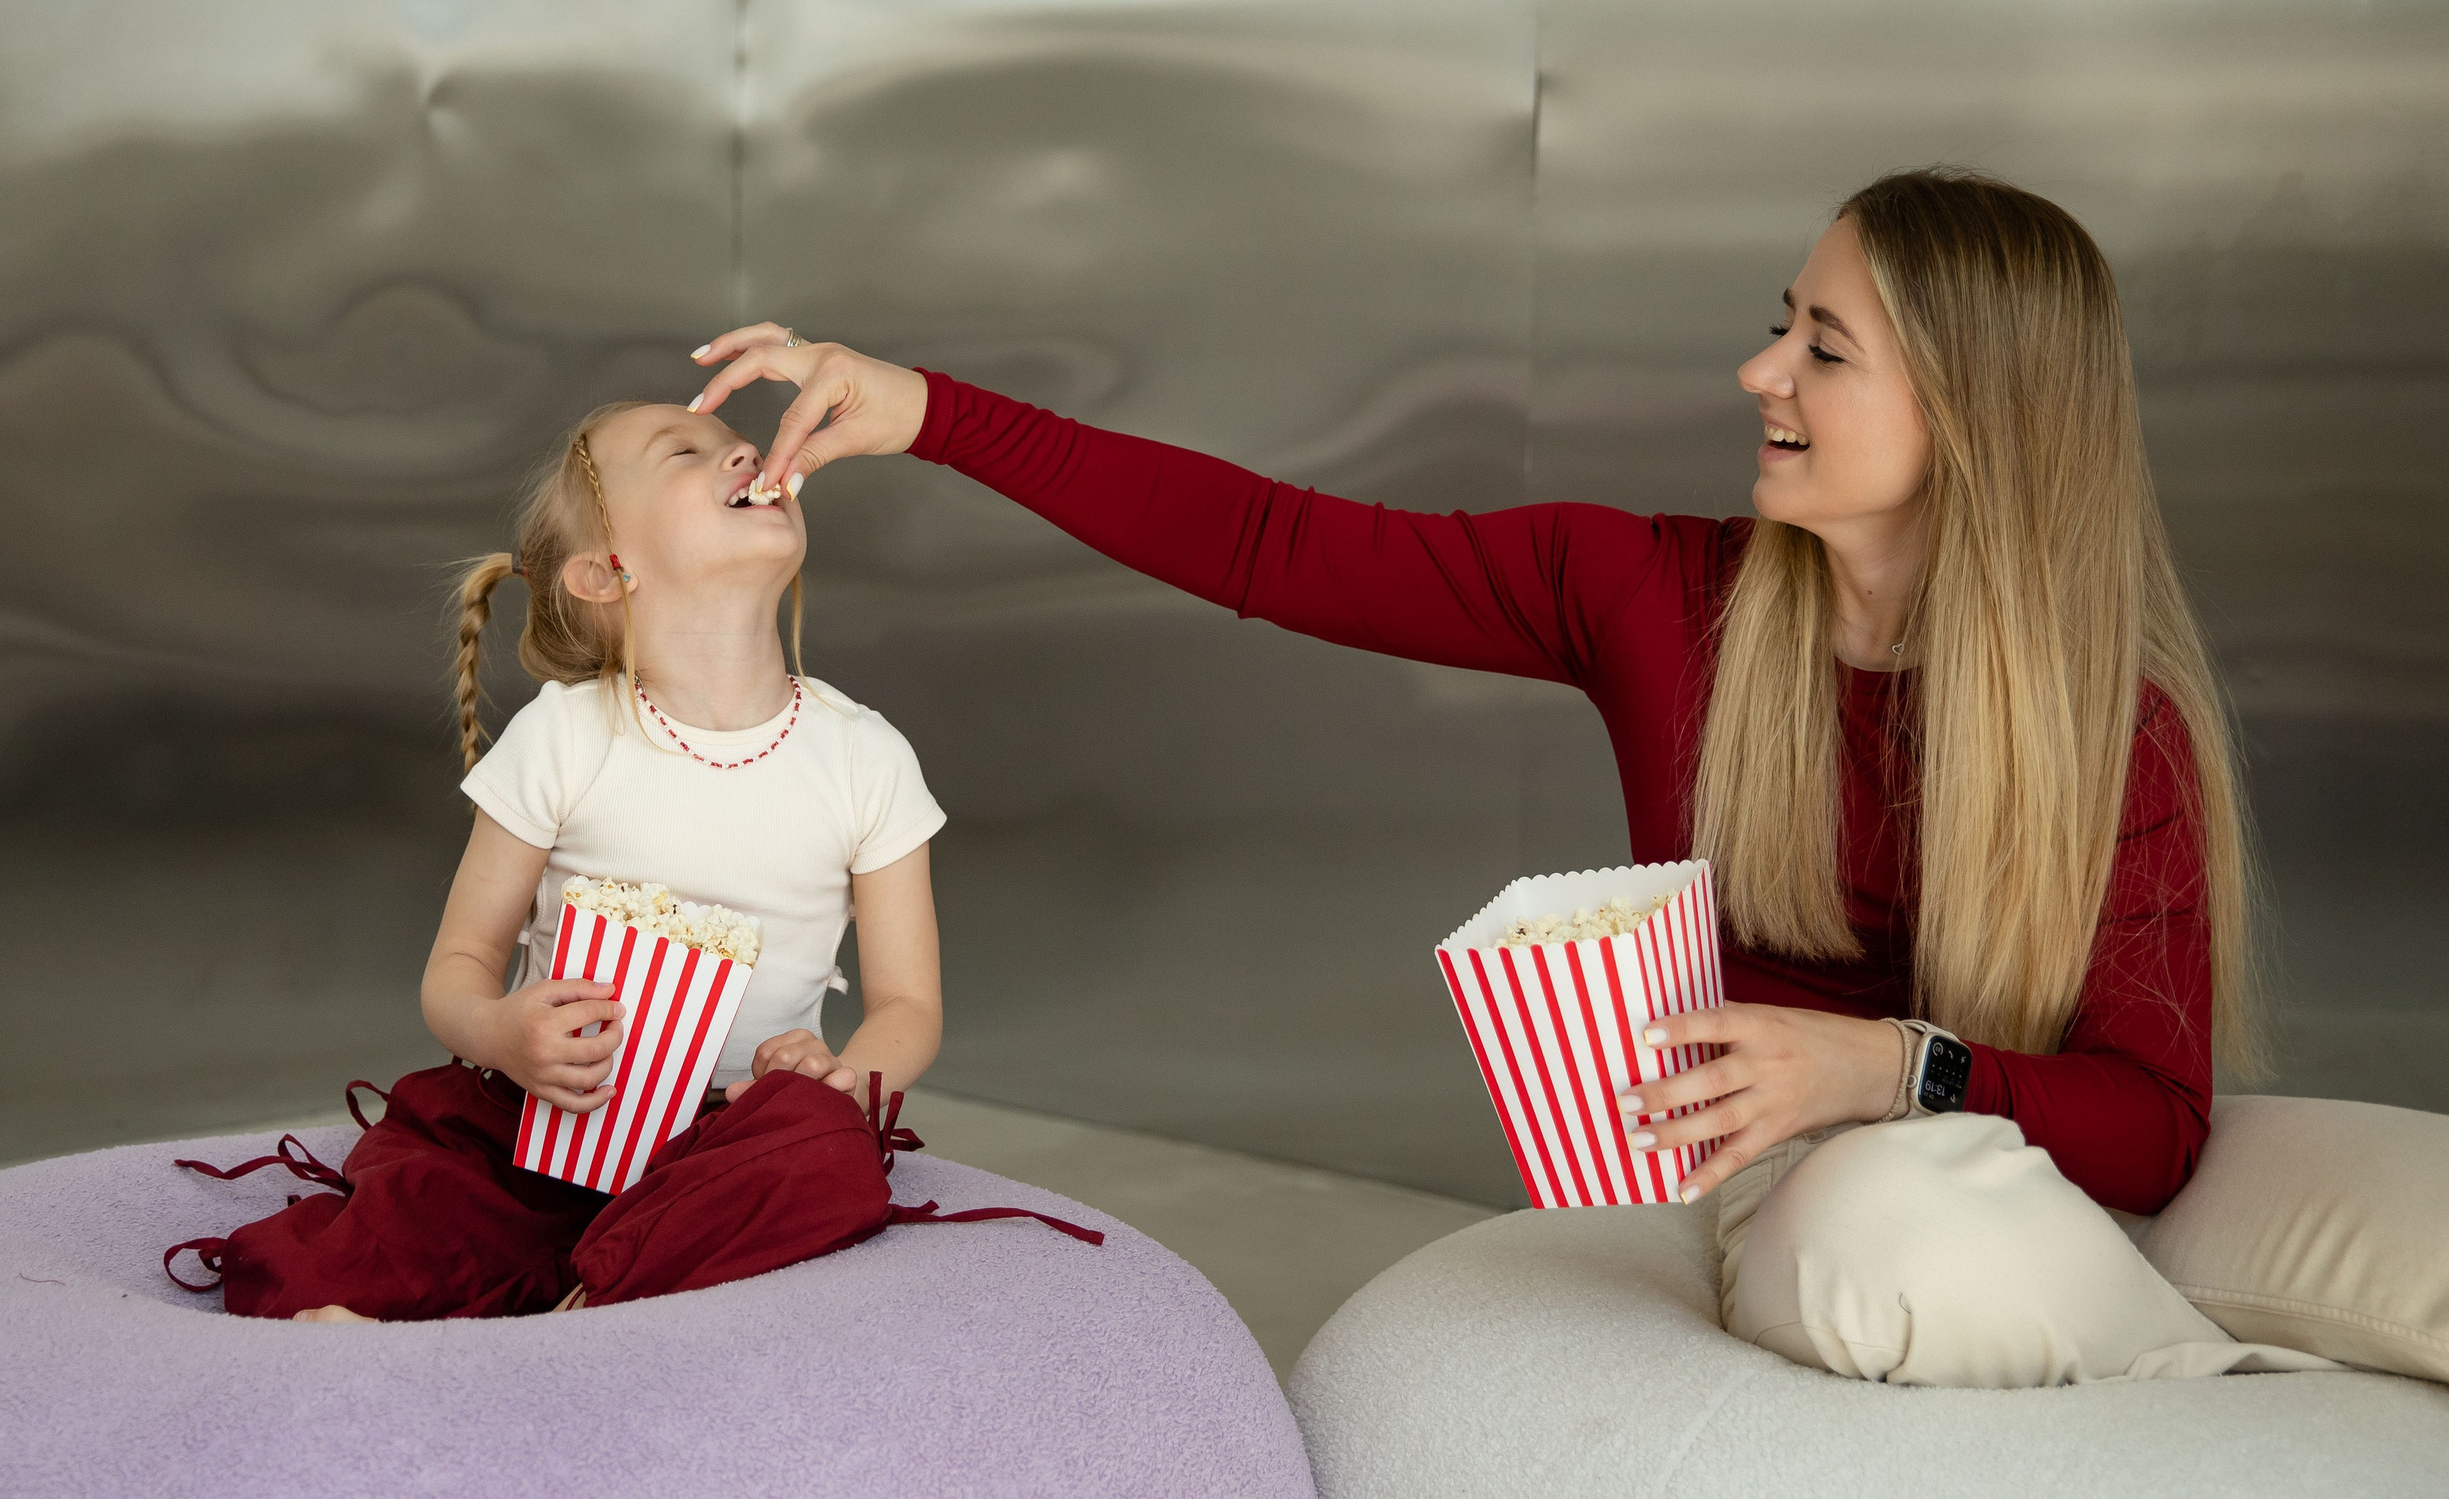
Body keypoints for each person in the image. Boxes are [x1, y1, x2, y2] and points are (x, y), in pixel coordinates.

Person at [684, 167, 2335, 1387]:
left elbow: (2152, 1132)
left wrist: (1881, 1068)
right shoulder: (1648, 591)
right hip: (1815, 1216)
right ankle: (2236, 1396)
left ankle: (2238, 1380)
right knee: (1875, 1228)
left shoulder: (2117, 730)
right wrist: (929, 412)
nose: (1762, 374)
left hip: (2017, 1186)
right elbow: (1280, 545)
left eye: (1823, 350)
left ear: (1972, 417)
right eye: (1781, 327)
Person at [238, 397, 951, 1321]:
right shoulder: (564, 736)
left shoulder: (867, 756)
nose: (742, 446)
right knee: (351, 1244)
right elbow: (456, 973)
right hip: (538, 1129)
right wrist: (503, 1037)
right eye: (684, 450)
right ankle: (609, 1288)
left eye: (735, 438)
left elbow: (909, 1006)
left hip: (725, 1142)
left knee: (825, 1151)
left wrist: (845, 1081)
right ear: (608, 572)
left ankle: (588, 1292)